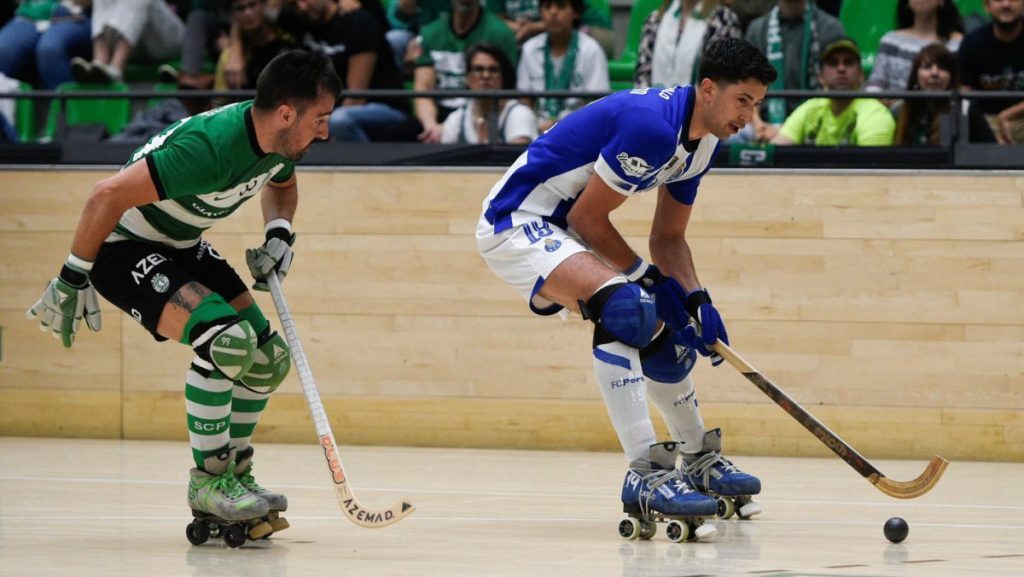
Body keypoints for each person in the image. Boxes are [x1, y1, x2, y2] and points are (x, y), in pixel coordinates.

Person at [27, 50, 341, 536]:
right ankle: (209, 482)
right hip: (123, 247)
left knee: (267, 358)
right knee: (227, 341)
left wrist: (279, 233)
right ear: (286, 113)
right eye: (320, 119)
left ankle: (236, 474)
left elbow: (282, 185)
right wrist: (73, 275)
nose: (325, 131)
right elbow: (105, 194)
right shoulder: (209, 149)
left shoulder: (281, 144)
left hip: (180, 243)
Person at [476, 37, 776, 538]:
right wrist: (647, 279)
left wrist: (698, 300)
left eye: (757, 104)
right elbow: (588, 219)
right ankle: (644, 471)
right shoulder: (652, 128)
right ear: (707, 89)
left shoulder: (702, 143)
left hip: (566, 229)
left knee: (666, 332)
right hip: (518, 220)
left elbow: (669, 237)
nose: (749, 114)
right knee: (628, 308)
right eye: (743, 100)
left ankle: (697, 456)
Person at [275, 0, 414, 142]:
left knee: (340, 120)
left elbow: (356, 97)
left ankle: (363, 163)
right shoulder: (293, 20)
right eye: (294, 4)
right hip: (326, 111)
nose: (302, 7)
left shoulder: (358, 22)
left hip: (381, 107)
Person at [413, 0, 518, 143]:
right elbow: (422, 89)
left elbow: (506, 88)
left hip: (484, 113)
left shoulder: (501, 34)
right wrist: (432, 127)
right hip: (439, 115)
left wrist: (450, 126)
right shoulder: (430, 33)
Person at [743, 0, 846, 142]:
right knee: (731, 137)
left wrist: (788, 130)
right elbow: (746, 87)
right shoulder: (757, 29)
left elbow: (835, 88)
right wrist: (758, 125)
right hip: (764, 124)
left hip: (815, 122)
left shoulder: (830, 27)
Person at [771, 38, 896, 146]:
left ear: (861, 75)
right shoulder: (810, 109)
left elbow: (869, 168)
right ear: (820, 77)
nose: (841, 69)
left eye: (848, 62)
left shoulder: (875, 114)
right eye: (833, 63)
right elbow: (776, 150)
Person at [516, 0, 609, 133]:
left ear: (575, 13)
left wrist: (562, 125)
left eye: (560, 6)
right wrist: (536, 124)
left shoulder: (591, 50)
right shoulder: (529, 49)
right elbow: (524, 100)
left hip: (578, 130)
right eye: (547, 7)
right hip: (537, 130)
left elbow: (598, 103)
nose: (553, 12)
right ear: (541, 13)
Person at [895, 42, 996, 144]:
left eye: (942, 67)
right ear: (915, 76)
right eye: (927, 66)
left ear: (952, 77)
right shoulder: (900, 111)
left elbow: (992, 154)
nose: (934, 73)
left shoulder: (967, 111)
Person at [441, 42, 538, 144]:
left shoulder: (519, 114)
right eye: (478, 69)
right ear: (467, 78)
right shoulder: (456, 119)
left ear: (503, 77)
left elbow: (516, 156)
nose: (486, 75)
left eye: (493, 70)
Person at [633, 0, 742, 89]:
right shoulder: (655, 20)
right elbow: (642, 74)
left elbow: (720, 80)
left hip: (701, 111)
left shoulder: (724, 20)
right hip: (654, 109)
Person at [957, 0, 1024, 143]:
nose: (1006, 4)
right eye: (998, 0)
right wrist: (987, 133)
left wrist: (1007, 115)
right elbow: (964, 94)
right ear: (986, 6)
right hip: (985, 120)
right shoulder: (972, 43)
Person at [70, 0, 184, 83]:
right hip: (135, 45)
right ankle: (100, 64)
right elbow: (79, 2)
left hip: (168, 40)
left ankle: (115, 71)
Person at [867, 0, 964, 97]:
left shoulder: (960, 43)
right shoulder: (890, 41)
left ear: (942, 1)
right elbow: (875, 85)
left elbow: (964, 88)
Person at [0, 0, 92, 89]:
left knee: (50, 48)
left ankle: (63, 103)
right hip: (29, 16)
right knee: (3, 49)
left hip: (76, 16)